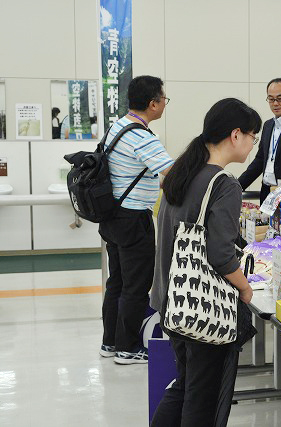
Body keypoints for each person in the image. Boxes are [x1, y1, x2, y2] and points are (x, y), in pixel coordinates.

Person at [150, 98, 258, 426]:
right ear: (235, 135)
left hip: (172, 299)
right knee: (202, 396)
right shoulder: (224, 184)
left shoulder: (183, 173)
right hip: (203, 307)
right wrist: (246, 288)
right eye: (253, 136)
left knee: (186, 385)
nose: (254, 144)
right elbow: (221, 254)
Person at [98, 75, 174, 364]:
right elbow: (172, 172)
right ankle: (129, 347)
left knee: (116, 281)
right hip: (133, 219)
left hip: (112, 216)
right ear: (153, 103)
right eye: (164, 99)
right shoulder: (141, 136)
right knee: (136, 285)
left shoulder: (117, 127)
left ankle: (110, 342)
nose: (165, 104)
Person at [238, 78, 281, 203]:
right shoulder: (268, 125)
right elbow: (260, 160)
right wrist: (237, 185)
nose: (275, 103)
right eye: (271, 99)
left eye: (280, 98)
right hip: (267, 191)